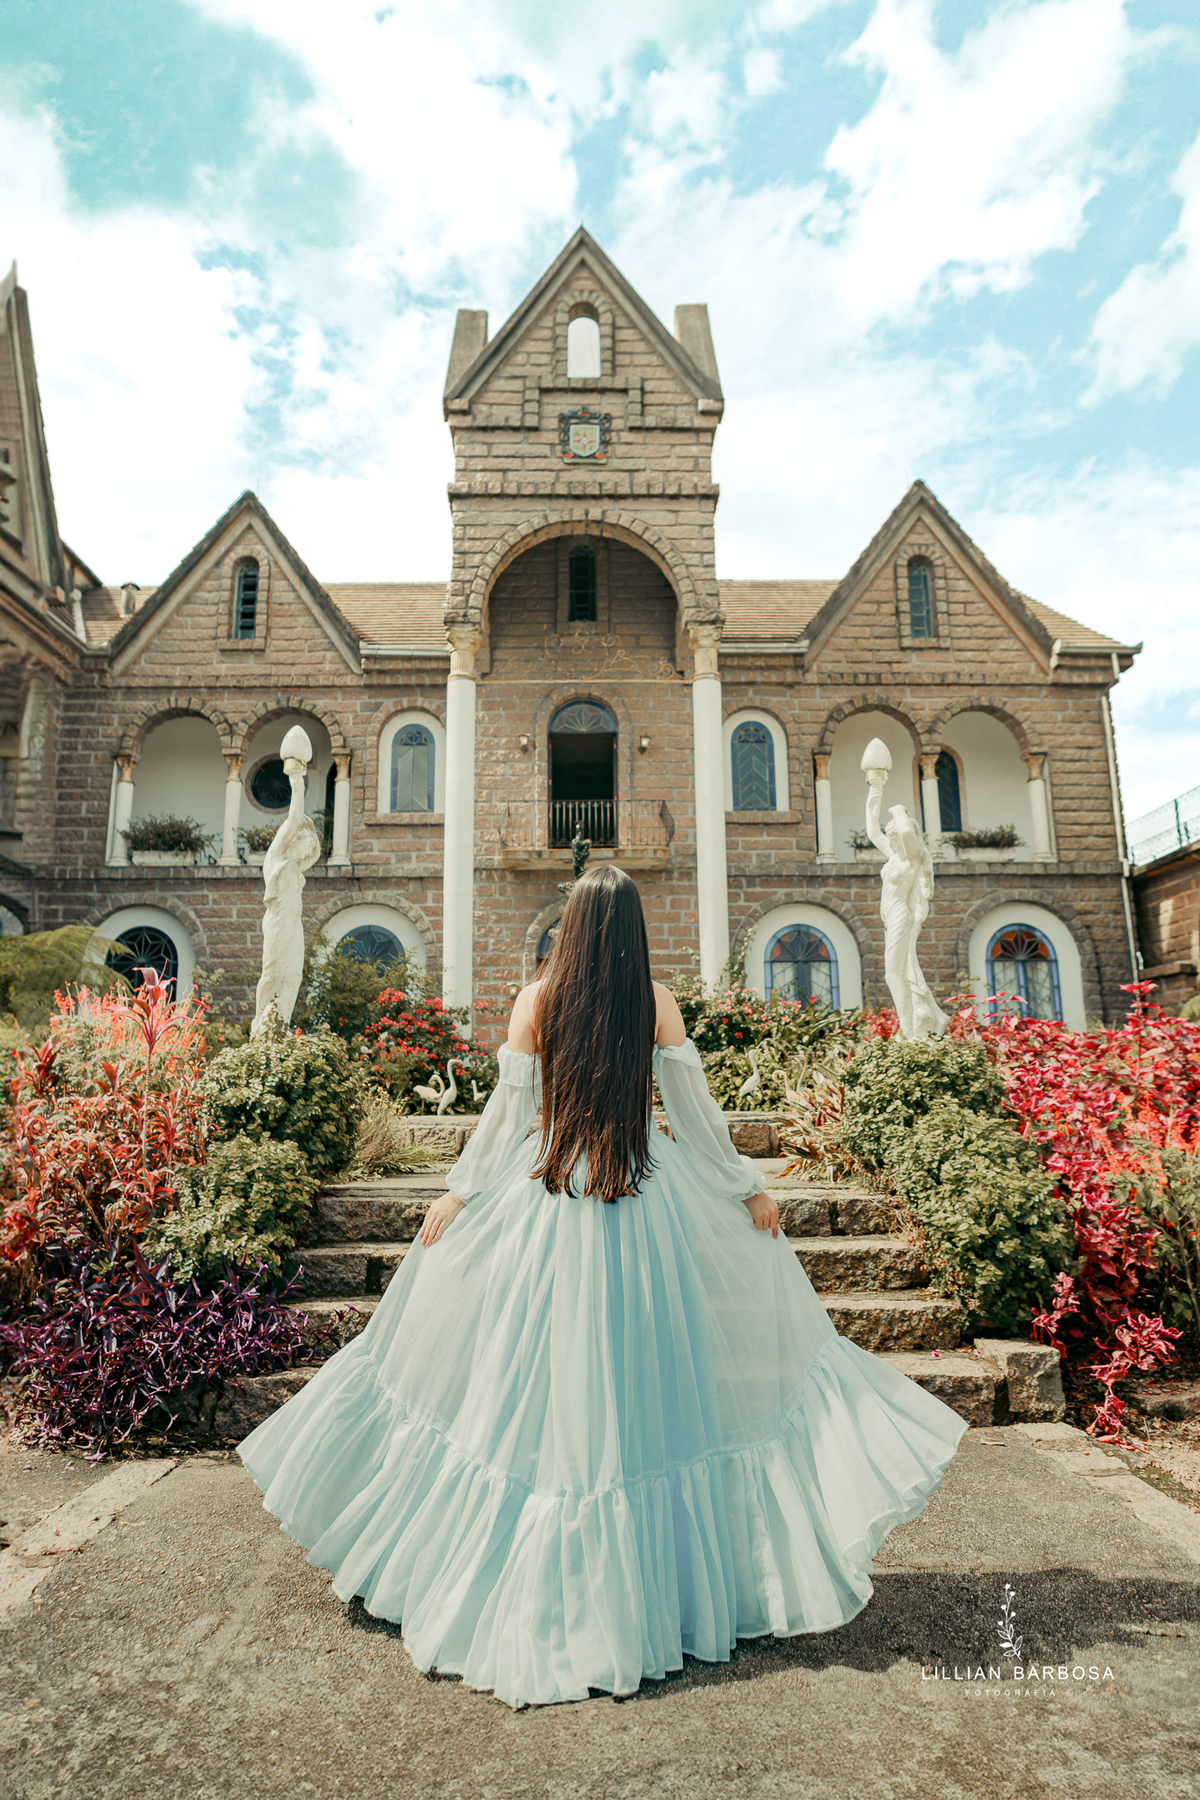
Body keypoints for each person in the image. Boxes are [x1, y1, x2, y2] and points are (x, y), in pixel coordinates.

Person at [238, 865, 967, 1708]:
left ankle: (540, 1582)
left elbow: (505, 1120)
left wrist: (461, 1193)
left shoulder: (536, 1000)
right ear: (632, 929)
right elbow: (695, 1115)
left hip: (550, 1197)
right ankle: (646, 1593)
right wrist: (745, 1188)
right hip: (641, 1196)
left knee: (537, 1387)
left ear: (574, 926)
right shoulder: (654, 1002)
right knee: (638, 1384)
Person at [864, 776, 950, 1041]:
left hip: (902, 914)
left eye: (894, 835)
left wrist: (897, 810)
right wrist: (874, 794)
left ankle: (909, 1030)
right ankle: (934, 1017)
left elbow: (906, 834)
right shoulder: (893, 856)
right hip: (890, 916)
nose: (890, 838)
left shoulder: (913, 859)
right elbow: (872, 832)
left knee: (893, 973)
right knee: (904, 969)